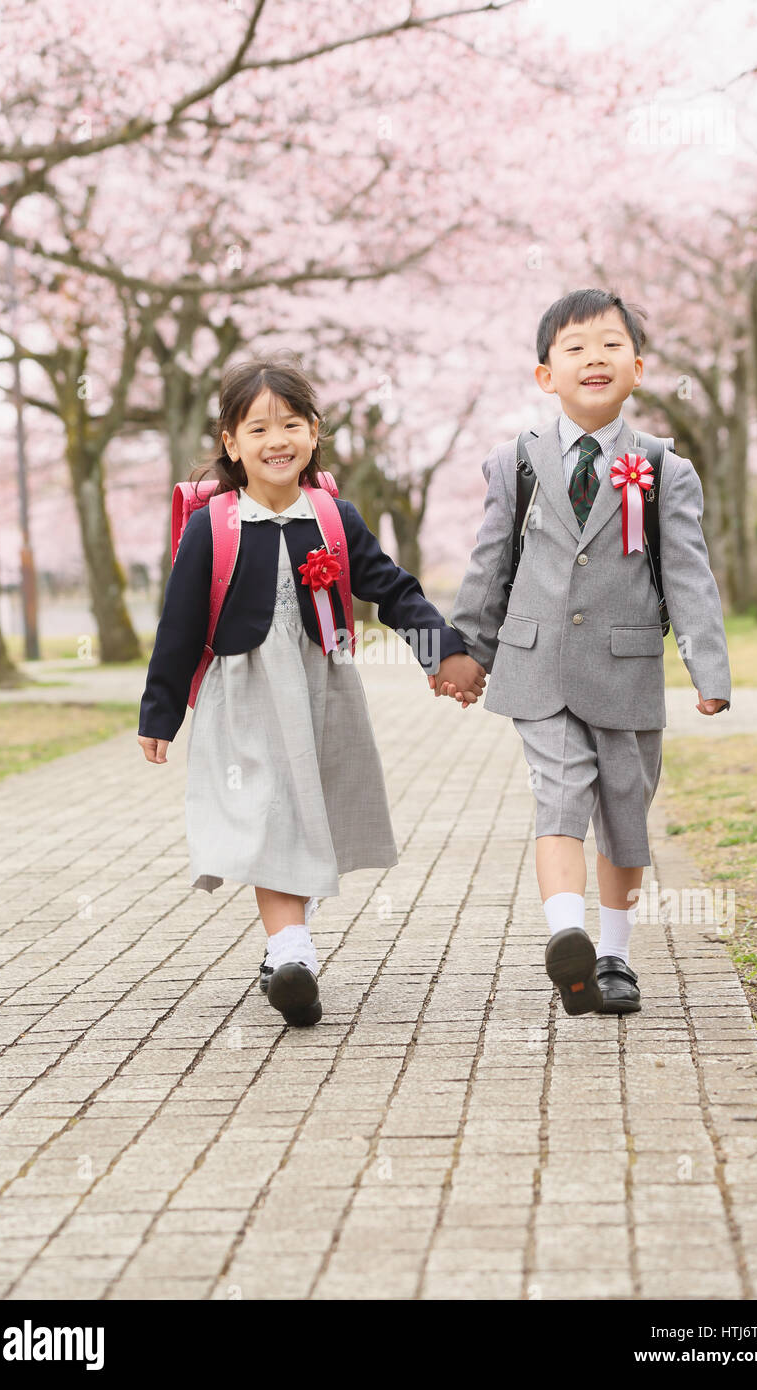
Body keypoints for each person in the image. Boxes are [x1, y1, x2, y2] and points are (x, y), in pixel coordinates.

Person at [137, 356, 485, 1027]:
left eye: (291, 423)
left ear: (315, 431)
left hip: (321, 691)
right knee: (270, 814)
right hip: (242, 698)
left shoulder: (333, 517)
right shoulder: (214, 526)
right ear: (231, 443)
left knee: (306, 814)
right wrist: (160, 711)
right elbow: (178, 625)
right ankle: (292, 953)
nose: (277, 439)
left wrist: (444, 655)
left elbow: (394, 591)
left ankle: (284, 948)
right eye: (257, 427)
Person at [439, 288, 732, 1017]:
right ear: (546, 375)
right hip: (535, 665)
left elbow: (689, 576)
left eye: (609, 345)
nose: (592, 358)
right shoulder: (515, 463)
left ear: (637, 366)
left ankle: (615, 955)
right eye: (573, 348)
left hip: (626, 668)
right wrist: (467, 651)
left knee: (626, 814)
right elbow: (489, 565)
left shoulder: (666, 469)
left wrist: (708, 668)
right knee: (560, 792)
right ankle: (566, 934)